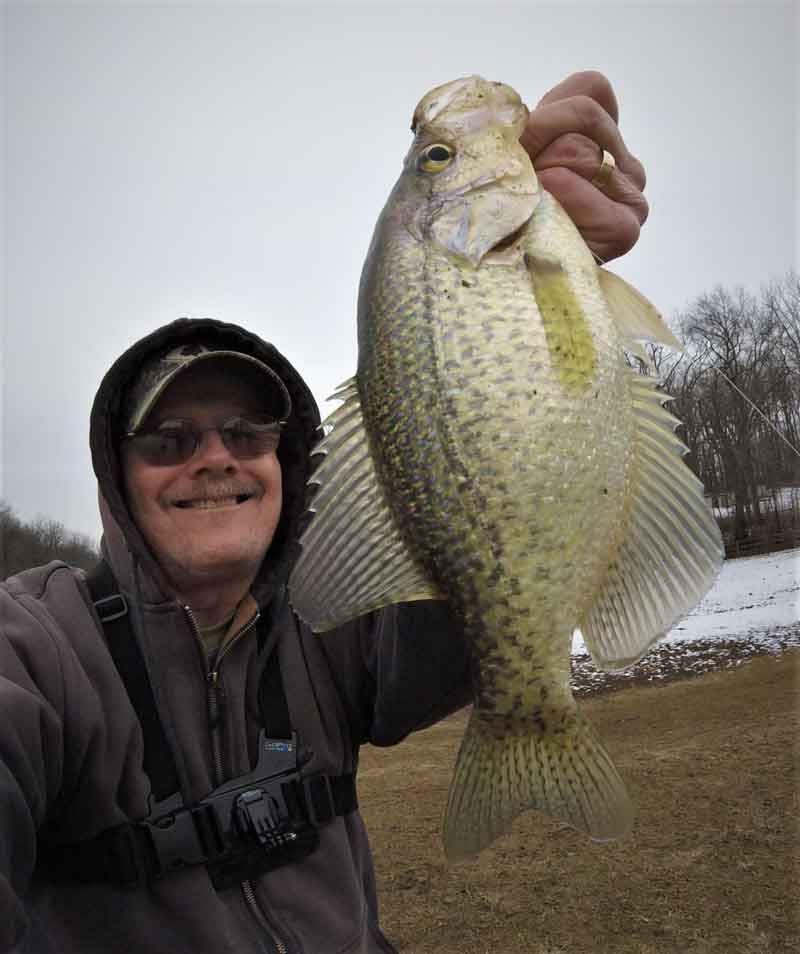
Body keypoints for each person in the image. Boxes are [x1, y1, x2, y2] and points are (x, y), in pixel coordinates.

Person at [0, 71, 648, 954]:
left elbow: (444, 619)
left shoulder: (321, 628)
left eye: (245, 431)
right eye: (169, 439)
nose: (214, 458)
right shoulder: (40, 650)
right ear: (116, 475)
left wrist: (564, 290)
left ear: (284, 459)